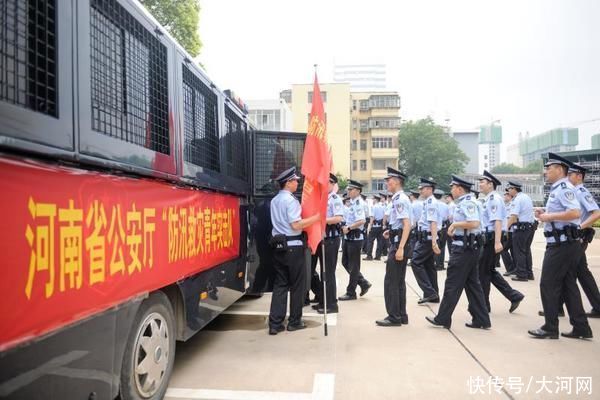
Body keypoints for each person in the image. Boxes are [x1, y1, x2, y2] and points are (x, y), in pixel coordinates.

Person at [528, 153, 592, 339]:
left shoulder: (564, 188)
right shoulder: (558, 189)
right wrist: (546, 211)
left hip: (561, 246)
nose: (546, 171)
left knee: (548, 284)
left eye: (549, 168)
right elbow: (564, 211)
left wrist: (549, 217)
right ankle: (581, 327)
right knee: (567, 285)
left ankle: (550, 327)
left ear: (560, 169)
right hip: (564, 244)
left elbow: (574, 212)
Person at [426, 175, 491, 330]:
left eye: (452, 187)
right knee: (473, 285)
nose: (451, 190)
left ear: (460, 189)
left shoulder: (467, 203)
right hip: (468, 248)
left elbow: (474, 222)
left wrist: (455, 224)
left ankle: (443, 318)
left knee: (452, 284)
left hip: (464, 250)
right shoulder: (466, 202)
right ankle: (482, 319)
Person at [539, 162, 600, 319]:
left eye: (571, 174)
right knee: (570, 277)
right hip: (571, 238)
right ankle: (564, 311)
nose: (569, 176)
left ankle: (561, 311)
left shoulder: (578, 191)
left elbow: (595, 213)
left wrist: (580, 227)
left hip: (574, 238)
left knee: (574, 275)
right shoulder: (565, 189)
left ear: (578, 176)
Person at [268, 167, 320, 335]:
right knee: (297, 285)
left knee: (280, 285)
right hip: (293, 246)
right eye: (295, 180)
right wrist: (316, 218)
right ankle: (295, 321)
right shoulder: (290, 201)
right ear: (288, 183)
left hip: (278, 246)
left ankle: (275, 324)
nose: (298, 183)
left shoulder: (275, 200)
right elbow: (296, 225)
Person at [477, 170, 525, 313]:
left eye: (482, 182)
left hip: (492, 240)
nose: (480, 184)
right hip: (490, 239)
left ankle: (484, 306)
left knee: (483, 273)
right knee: (489, 271)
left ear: (490, 184)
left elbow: (497, 221)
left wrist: (497, 242)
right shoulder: (489, 199)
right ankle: (514, 296)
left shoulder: (494, 199)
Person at [376, 167, 412, 326]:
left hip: (399, 245)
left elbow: (407, 224)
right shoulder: (399, 198)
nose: (386, 183)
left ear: (397, 181)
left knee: (391, 281)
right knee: (398, 281)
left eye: (388, 180)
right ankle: (401, 315)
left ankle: (393, 317)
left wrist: (401, 247)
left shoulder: (400, 199)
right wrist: (389, 232)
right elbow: (400, 224)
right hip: (397, 240)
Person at [313, 173, 345, 314]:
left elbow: (338, 218)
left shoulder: (335, 199)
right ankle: (323, 300)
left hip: (331, 239)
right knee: (323, 271)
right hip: (322, 238)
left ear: (332, 184)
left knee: (329, 272)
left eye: (327, 183)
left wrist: (321, 220)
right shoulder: (322, 198)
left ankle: (332, 304)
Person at [339, 180, 372, 300]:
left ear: (358, 191)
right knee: (345, 262)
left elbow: (362, 220)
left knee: (353, 266)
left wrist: (348, 227)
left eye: (350, 189)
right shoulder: (353, 203)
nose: (348, 191)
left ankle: (351, 292)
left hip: (355, 238)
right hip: (349, 237)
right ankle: (363, 282)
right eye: (348, 189)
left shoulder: (358, 203)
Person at [411, 178, 442, 304]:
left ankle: (430, 292)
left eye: (422, 188)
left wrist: (434, 241)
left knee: (415, 262)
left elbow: (433, 222)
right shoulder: (428, 201)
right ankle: (434, 295)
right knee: (429, 266)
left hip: (427, 239)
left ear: (429, 189)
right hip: (426, 237)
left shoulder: (431, 202)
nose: (420, 190)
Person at [506, 181, 536, 282]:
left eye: (509, 189)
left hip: (521, 228)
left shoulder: (517, 199)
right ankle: (529, 273)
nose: (509, 191)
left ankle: (521, 274)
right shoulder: (526, 197)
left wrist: (504, 228)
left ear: (514, 189)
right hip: (529, 227)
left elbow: (513, 217)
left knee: (519, 251)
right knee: (526, 251)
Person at [365, 194, 386, 260]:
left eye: (373, 199)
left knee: (370, 241)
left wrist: (369, 227)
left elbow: (372, 217)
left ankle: (369, 256)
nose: (372, 200)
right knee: (380, 241)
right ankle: (378, 256)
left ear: (375, 199)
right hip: (380, 226)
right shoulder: (383, 206)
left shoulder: (374, 207)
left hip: (374, 226)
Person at [434, 189, 450, 270]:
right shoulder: (445, 206)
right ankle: (440, 264)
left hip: (434, 227)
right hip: (443, 228)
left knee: (435, 245)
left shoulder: (433, 204)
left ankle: (436, 264)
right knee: (442, 247)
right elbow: (447, 217)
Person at [501, 190, 515, 275]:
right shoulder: (507, 206)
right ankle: (514, 268)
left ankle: (510, 268)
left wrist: (505, 230)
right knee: (513, 250)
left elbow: (511, 219)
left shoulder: (512, 205)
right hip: (509, 230)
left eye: (506, 195)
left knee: (504, 249)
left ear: (510, 196)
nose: (504, 196)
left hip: (510, 231)